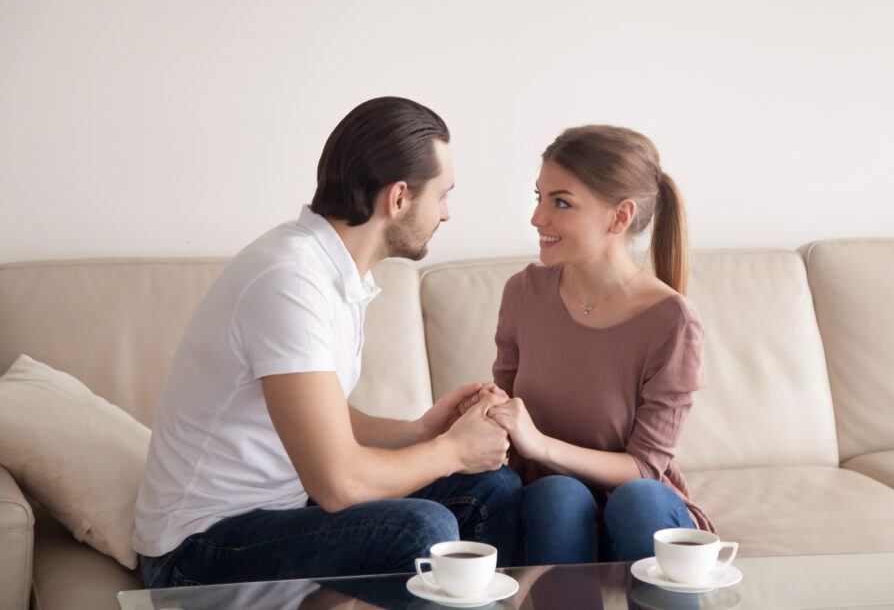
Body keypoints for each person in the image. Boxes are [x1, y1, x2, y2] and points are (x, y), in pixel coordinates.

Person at [133, 96, 520, 589]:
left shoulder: (331, 271)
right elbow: (338, 483)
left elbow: (322, 418)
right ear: (398, 198)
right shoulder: (290, 279)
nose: (445, 214)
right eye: (442, 196)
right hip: (194, 552)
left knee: (492, 488)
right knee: (423, 530)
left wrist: (422, 431)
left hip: (280, 513)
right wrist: (453, 451)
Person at [482, 124, 713, 565]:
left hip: (638, 515)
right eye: (539, 197)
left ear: (620, 217)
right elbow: (508, 413)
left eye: (561, 202)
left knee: (639, 497)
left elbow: (644, 467)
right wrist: (483, 414)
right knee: (558, 495)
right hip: (550, 514)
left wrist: (541, 445)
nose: (537, 218)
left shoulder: (673, 322)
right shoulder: (523, 293)